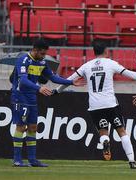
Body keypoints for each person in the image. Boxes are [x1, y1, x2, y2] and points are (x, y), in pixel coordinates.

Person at [54, 42, 136, 169]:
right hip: (110, 104)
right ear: (106, 51)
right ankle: (132, 161)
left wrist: (57, 91)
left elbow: (69, 80)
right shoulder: (110, 63)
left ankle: (105, 142)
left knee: (103, 132)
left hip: (95, 106)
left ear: (94, 52)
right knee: (122, 132)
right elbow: (130, 74)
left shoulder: (86, 66)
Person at [11, 39, 84, 167]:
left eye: (45, 54)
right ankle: (17, 160)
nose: (44, 56)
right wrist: (39, 88)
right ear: (35, 50)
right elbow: (22, 80)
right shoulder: (23, 60)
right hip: (20, 97)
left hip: (32, 98)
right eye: (42, 54)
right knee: (21, 127)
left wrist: (71, 82)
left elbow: (53, 77)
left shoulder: (41, 62)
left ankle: (32, 160)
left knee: (33, 127)